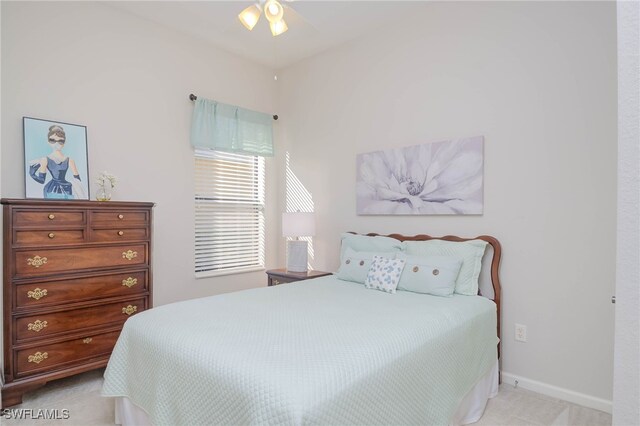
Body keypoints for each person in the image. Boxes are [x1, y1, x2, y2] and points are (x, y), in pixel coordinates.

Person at [28, 125, 85, 199]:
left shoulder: (70, 160)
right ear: (48, 142)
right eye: (52, 140)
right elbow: (42, 180)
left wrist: (71, 184)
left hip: (66, 189)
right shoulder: (45, 159)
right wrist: (32, 174)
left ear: (64, 143)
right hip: (51, 189)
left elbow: (78, 181)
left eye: (60, 141)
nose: (56, 144)